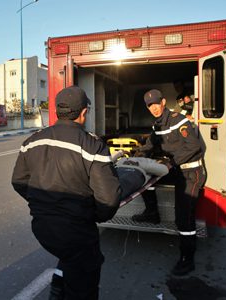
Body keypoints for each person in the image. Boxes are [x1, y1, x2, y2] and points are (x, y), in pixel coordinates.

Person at [11, 86, 122, 300]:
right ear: (83, 113)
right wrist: (92, 215)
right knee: (84, 280)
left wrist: (44, 203)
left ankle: (58, 288)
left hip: (42, 228)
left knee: (68, 256)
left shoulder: (32, 141)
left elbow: (19, 181)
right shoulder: (92, 145)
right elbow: (108, 200)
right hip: (77, 231)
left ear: (57, 111)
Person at [132, 89, 206, 276]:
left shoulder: (177, 119)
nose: (154, 108)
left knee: (183, 218)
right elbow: (150, 144)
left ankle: (187, 260)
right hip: (176, 169)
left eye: (156, 103)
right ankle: (152, 212)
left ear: (163, 102)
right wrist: (137, 156)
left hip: (191, 172)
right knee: (143, 175)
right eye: (150, 106)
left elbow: (194, 146)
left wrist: (170, 162)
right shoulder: (158, 125)